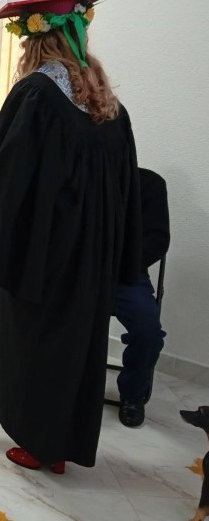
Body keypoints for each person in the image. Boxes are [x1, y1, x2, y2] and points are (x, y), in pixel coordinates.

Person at [0, 0, 142, 473]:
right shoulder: (108, 105)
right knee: (76, 346)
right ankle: (63, 442)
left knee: (39, 344)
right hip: (92, 257)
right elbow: (126, 190)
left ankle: (41, 445)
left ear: (35, 42)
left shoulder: (37, 95)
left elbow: (4, 179)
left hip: (45, 256)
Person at [114, 167, 169, 428]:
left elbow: (157, 239)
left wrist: (120, 265)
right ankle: (66, 388)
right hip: (81, 273)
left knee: (149, 333)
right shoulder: (80, 176)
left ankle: (132, 396)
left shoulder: (149, 183)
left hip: (127, 274)